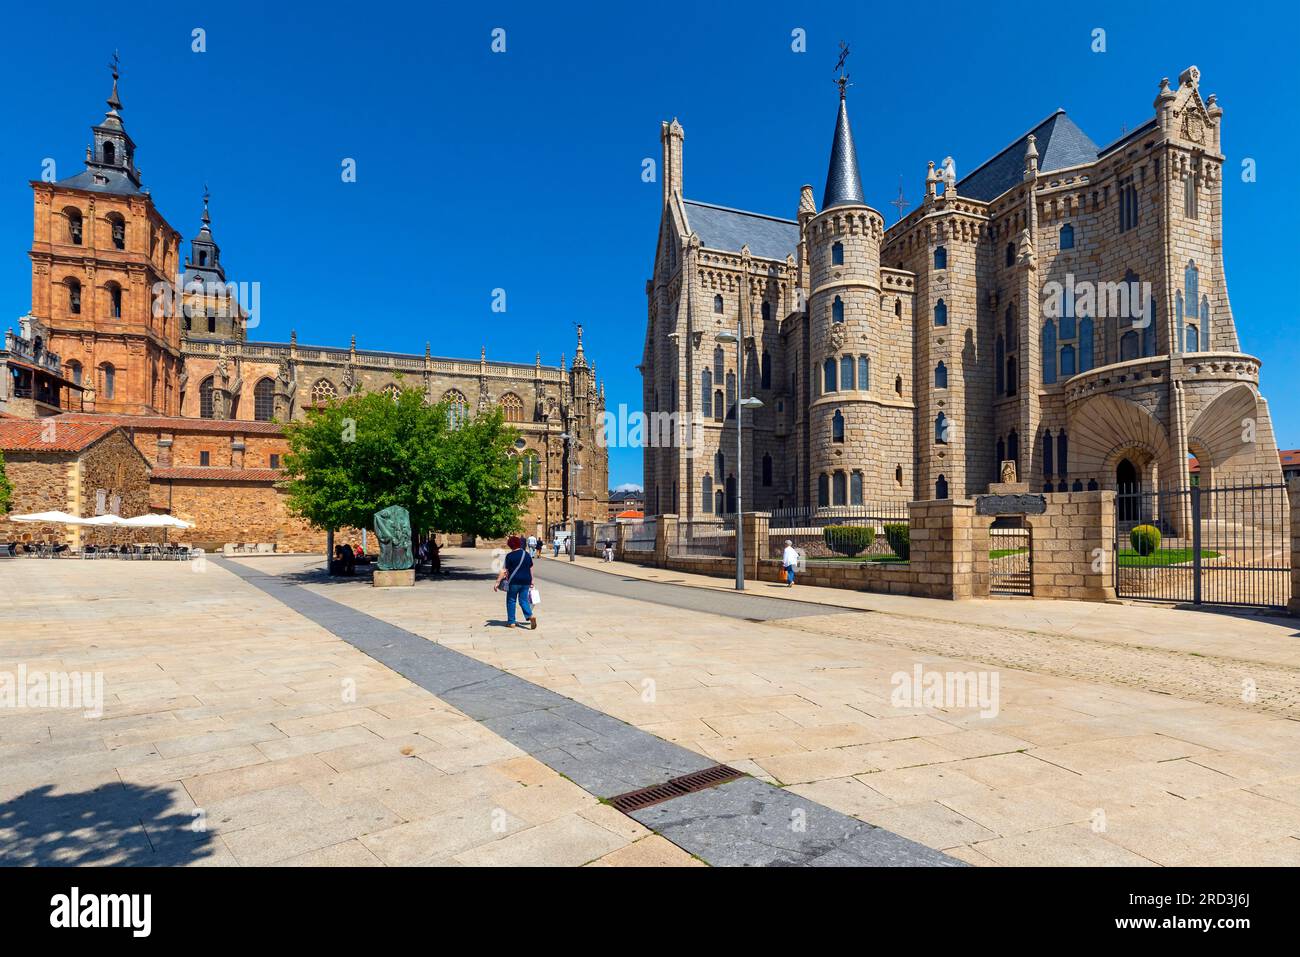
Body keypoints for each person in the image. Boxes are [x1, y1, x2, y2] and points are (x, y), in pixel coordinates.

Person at [495, 535, 537, 630]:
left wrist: (497, 582)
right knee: (523, 600)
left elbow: (504, 571)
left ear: (510, 545)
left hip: (514, 581)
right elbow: (531, 568)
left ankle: (511, 622)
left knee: (511, 600)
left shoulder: (509, 556)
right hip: (526, 581)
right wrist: (532, 580)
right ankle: (530, 616)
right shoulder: (526, 554)